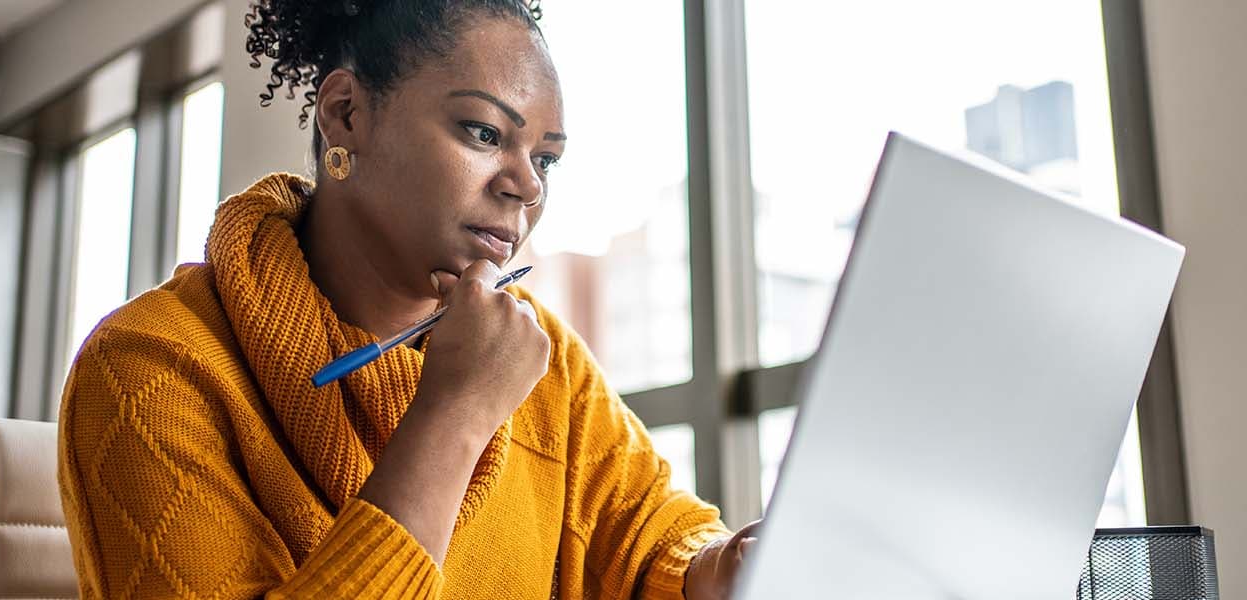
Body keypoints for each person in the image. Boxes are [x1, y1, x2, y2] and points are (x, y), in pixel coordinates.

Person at [56, 0, 759, 597]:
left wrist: (722, 567)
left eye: (544, 158)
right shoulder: (149, 367)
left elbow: (651, 539)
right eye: (485, 133)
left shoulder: (548, 364)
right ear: (345, 115)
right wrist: (455, 415)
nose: (528, 186)